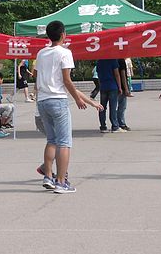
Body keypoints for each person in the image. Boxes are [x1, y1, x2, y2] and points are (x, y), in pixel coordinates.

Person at [34, 20, 89, 194]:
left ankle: (48, 176)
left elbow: (36, 76)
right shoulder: (65, 53)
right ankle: (61, 182)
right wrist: (77, 99)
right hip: (57, 99)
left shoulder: (41, 53)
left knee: (52, 140)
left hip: (42, 100)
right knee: (64, 142)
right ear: (63, 35)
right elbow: (67, 80)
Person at [96, 58, 124, 133]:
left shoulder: (99, 62)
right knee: (113, 107)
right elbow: (117, 74)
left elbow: (98, 75)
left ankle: (103, 126)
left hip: (103, 86)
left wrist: (100, 85)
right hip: (112, 86)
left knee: (102, 107)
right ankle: (115, 126)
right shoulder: (113, 60)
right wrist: (120, 87)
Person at [117, 58, 132, 131]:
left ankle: (115, 123)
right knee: (122, 107)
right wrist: (126, 89)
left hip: (113, 86)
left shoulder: (113, 60)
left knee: (114, 107)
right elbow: (123, 76)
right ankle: (121, 124)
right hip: (121, 87)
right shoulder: (121, 61)